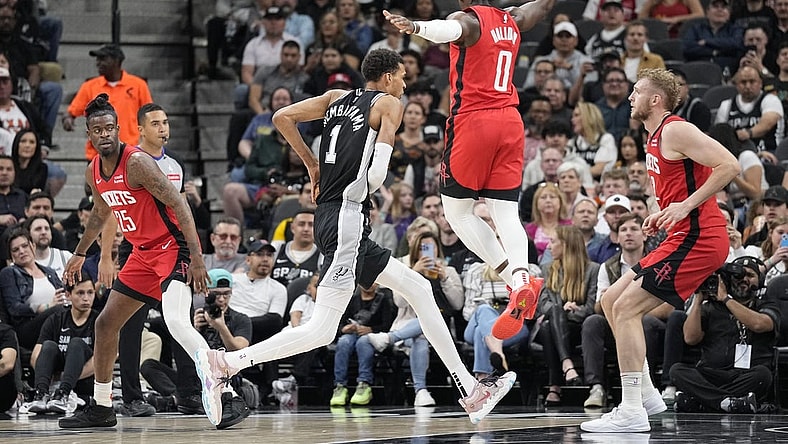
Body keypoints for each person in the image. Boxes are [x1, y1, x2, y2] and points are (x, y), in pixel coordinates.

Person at [194, 49, 516, 424]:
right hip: (347, 218)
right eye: (402, 77)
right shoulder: (389, 104)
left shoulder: (335, 98)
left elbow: (283, 117)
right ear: (389, 78)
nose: (405, 84)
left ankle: (471, 389)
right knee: (321, 329)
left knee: (419, 288)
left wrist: (313, 165)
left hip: (332, 216)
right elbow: (377, 174)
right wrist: (365, 187)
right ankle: (226, 362)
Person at [383, 0, 556, 341]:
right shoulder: (514, 19)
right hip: (510, 121)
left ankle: (512, 280)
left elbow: (448, 30)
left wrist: (415, 27)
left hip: (474, 122)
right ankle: (522, 277)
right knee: (505, 210)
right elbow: (544, 6)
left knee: (457, 212)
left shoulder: (468, 20)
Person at [580, 68, 740, 433]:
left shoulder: (675, 129)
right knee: (609, 301)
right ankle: (648, 393)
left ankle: (632, 408)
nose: (630, 97)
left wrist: (685, 206)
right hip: (679, 234)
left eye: (637, 92)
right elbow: (680, 182)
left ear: (656, 99)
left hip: (700, 237)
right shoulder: (652, 136)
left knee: (625, 308)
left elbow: (728, 165)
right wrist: (660, 212)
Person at [58, 94, 210, 428]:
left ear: (118, 128)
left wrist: (197, 257)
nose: (105, 134)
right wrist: (80, 253)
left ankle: (225, 393)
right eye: (98, 129)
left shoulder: (138, 162)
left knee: (177, 321)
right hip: (141, 254)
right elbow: (101, 213)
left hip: (173, 248)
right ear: (89, 133)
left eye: (110, 128)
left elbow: (181, 205)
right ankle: (101, 406)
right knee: (105, 324)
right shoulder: (93, 170)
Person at [141, 268, 251, 429]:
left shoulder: (240, 319)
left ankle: (174, 400)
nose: (221, 299)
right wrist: (194, 330)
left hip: (227, 374)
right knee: (148, 365)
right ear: (207, 293)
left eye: (226, 294)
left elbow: (240, 350)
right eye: (216, 294)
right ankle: (180, 397)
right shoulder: (193, 317)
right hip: (193, 374)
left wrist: (221, 328)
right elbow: (184, 352)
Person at [670, 256, 777, 413]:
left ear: (760, 280)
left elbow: (759, 324)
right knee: (677, 371)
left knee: (763, 375)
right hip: (711, 375)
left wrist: (726, 299)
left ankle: (704, 401)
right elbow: (690, 338)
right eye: (739, 275)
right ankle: (730, 402)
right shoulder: (710, 307)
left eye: (750, 275)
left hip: (746, 375)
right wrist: (698, 300)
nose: (744, 279)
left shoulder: (765, 303)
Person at [61, 45, 153, 161]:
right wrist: (68, 120)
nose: (98, 63)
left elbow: (149, 116)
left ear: (116, 61)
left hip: (130, 153)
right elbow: (71, 113)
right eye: (97, 60)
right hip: (97, 155)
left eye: (103, 59)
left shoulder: (138, 85)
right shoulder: (89, 86)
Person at [27, 274, 98, 415]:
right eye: (80, 293)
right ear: (68, 295)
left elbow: (104, 358)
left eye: (90, 292)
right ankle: (41, 394)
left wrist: (68, 377)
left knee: (76, 343)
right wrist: (48, 376)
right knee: (48, 346)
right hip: (55, 378)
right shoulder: (55, 319)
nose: (86, 298)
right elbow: (36, 355)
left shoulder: (99, 320)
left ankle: (63, 394)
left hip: (83, 381)